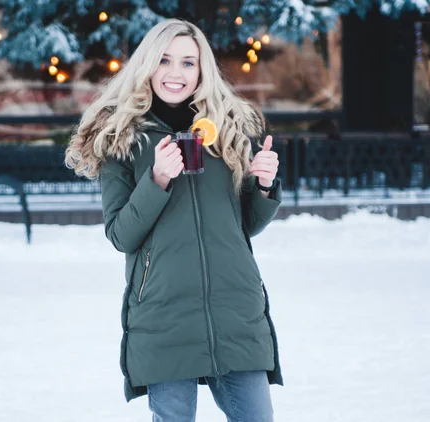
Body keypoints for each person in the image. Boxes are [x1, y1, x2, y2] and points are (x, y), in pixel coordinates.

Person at [65, 18, 283, 422]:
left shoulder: (227, 128)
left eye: (188, 62)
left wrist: (264, 186)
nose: (175, 73)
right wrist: (158, 179)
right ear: (147, 64)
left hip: (234, 308)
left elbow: (244, 226)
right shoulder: (122, 137)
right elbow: (121, 235)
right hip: (163, 314)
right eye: (164, 60)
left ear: (202, 70)